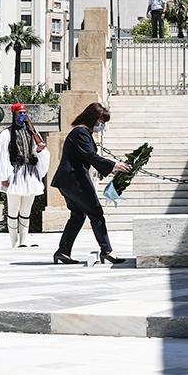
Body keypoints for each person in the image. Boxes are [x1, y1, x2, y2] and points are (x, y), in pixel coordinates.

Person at [50, 103, 130, 265]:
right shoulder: (80, 133)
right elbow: (90, 156)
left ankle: (62, 252)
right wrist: (113, 166)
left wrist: (109, 169)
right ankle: (106, 251)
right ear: (92, 118)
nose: (102, 125)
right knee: (96, 213)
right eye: (101, 121)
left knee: (78, 216)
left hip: (68, 180)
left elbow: (88, 157)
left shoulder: (82, 132)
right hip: (74, 180)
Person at [0, 103, 49, 248]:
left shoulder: (32, 132)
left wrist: (40, 150)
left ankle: (23, 241)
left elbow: (38, 152)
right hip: (14, 175)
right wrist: (3, 177)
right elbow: (2, 156)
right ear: (14, 115)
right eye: (20, 114)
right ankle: (14, 241)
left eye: (24, 113)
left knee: (26, 210)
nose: (22, 116)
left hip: (29, 175)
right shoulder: (6, 134)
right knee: (13, 210)